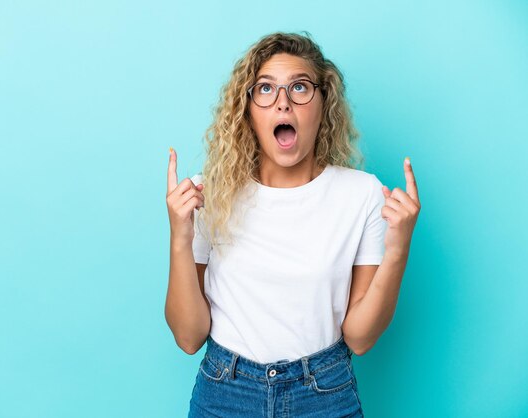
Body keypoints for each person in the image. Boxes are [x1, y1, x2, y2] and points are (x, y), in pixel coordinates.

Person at [165, 31, 421, 417]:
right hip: (225, 393)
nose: (283, 103)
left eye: (299, 87)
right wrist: (180, 239)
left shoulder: (361, 194)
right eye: (266, 89)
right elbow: (188, 337)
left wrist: (398, 248)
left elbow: (360, 337)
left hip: (324, 393)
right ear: (248, 109)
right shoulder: (209, 193)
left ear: (323, 103)